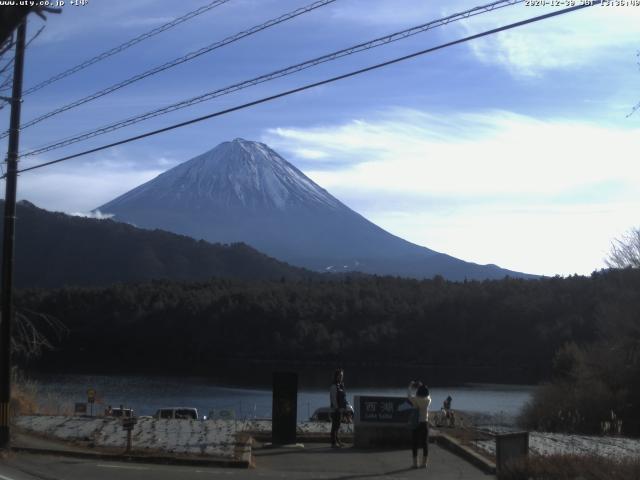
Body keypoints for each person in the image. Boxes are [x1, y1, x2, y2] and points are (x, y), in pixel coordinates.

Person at [408, 380, 431, 468]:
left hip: (416, 423)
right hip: (424, 422)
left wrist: (410, 386)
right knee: (425, 443)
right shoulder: (428, 400)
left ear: (418, 392)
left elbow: (409, 395)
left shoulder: (415, 399)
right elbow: (429, 394)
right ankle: (424, 463)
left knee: (415, 443)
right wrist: (423, 387)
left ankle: (415, 464)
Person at [329, 367, 347, 448]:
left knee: (338, 425)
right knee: (334, 426)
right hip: (335, 409)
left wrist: (345, 407)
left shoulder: (341, 385)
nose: (341, 377)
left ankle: (337, 440)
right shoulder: (334, 386)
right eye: (340, 375)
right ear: (336, 376)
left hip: (340, 409)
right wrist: (336, 408)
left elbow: (343, 397)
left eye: (342, 375)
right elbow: (333, 398)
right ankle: (333, 442)